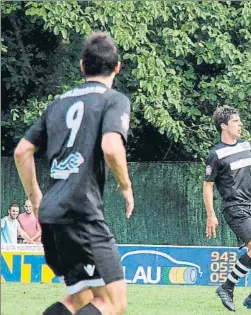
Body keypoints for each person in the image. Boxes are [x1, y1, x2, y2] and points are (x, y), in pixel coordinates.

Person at [14, 32, 134, 315]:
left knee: (79, 299)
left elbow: (22, 151)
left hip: (52, 215)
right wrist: (125, 187)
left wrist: (35, 196)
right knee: (113, 303)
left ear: (82, 67)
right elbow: (112, 147)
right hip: (82, 214)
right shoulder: (113, 100)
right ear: (117, 67)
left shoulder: (58, 103)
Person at [203, 105, 251, 312]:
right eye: (236, 122)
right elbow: (208, 186)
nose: (240, 125)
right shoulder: (215, 154)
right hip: (233, 207)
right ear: (223, 126)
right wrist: (211, 215)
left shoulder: (246, 146)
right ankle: (226, 287)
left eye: (240, 121)